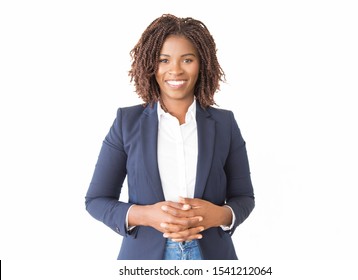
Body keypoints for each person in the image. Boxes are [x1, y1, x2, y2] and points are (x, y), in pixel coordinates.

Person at [85, 14, 255, 260]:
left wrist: (219, 215)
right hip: (144, 259)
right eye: (164, 60)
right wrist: (146, 215)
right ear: (151, 66)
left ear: (202, 64)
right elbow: (97, 200)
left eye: (187, 59)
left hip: (213, 258)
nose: (175, 70)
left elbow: (244, 197)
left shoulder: (224, 124)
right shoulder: (127, 122)